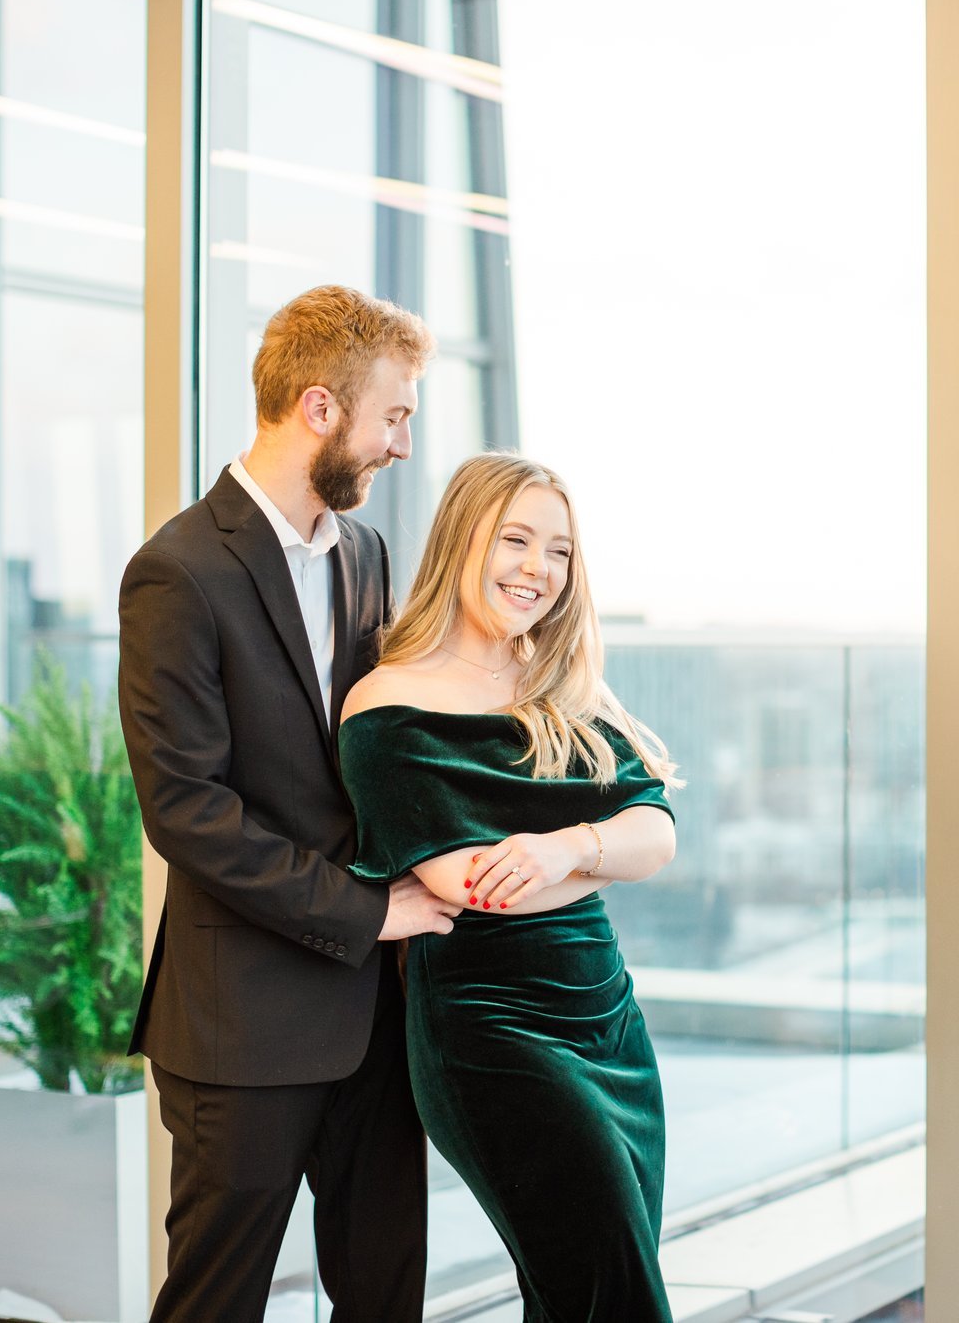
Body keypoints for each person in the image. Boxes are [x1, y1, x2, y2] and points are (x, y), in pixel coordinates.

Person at [118, 285, 461, 1323]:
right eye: (392, 416)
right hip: (243, 1028)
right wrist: (368, 911)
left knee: (385, 1295)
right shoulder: (176, 571)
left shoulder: (365, 555)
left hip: (373, 1024)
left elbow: (374, 754)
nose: (401, 444)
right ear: (319, 409)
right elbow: (185, 810)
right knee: (214, 1307)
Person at [339, 452, 682, 1322]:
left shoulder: (563, 684)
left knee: (583, 1290)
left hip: (609, 1023)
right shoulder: (388, 705)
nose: (538, 568)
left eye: (559, 550)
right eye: (516, 540)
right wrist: (600, 852)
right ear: (463, 540)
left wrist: (566, 847)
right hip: (493, 1034)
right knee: (614, 1295)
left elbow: (660, 834)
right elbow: (476, 888)